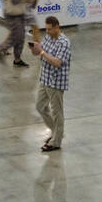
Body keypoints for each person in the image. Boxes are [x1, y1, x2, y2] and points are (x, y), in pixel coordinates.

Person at [30, 16, 70, 152]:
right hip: (45, 78)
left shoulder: (64, 43)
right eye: (45, 29)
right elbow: (41, 53)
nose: (46, 32)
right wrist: (36, 49)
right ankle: (56, 132)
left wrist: (42, 52)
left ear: (57, 27)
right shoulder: (48, 38)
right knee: (40, 106)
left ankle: (56, 142)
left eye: (49, 29)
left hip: (56, 82)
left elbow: (57, 62)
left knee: (57, 112)